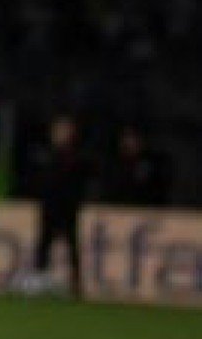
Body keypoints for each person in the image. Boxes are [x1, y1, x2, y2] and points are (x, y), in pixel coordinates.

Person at [30, 112, 91, 299]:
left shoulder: (77, 156)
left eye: (65, 130)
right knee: (44, 241)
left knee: (71, 243)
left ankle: (75, 282)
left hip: (68, 206)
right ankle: (39, 279)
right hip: (49, 205)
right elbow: (40, 181)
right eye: (59, 131)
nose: (61, 134)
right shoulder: (46, 155)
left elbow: (82, 182)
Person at [102, 124, 173, 207]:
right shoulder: (113, 165)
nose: (128, 142)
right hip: (118, 211)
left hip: (149, 211)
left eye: (132, 138)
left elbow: (159, 193)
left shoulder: (155, 163)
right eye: (125, 138)